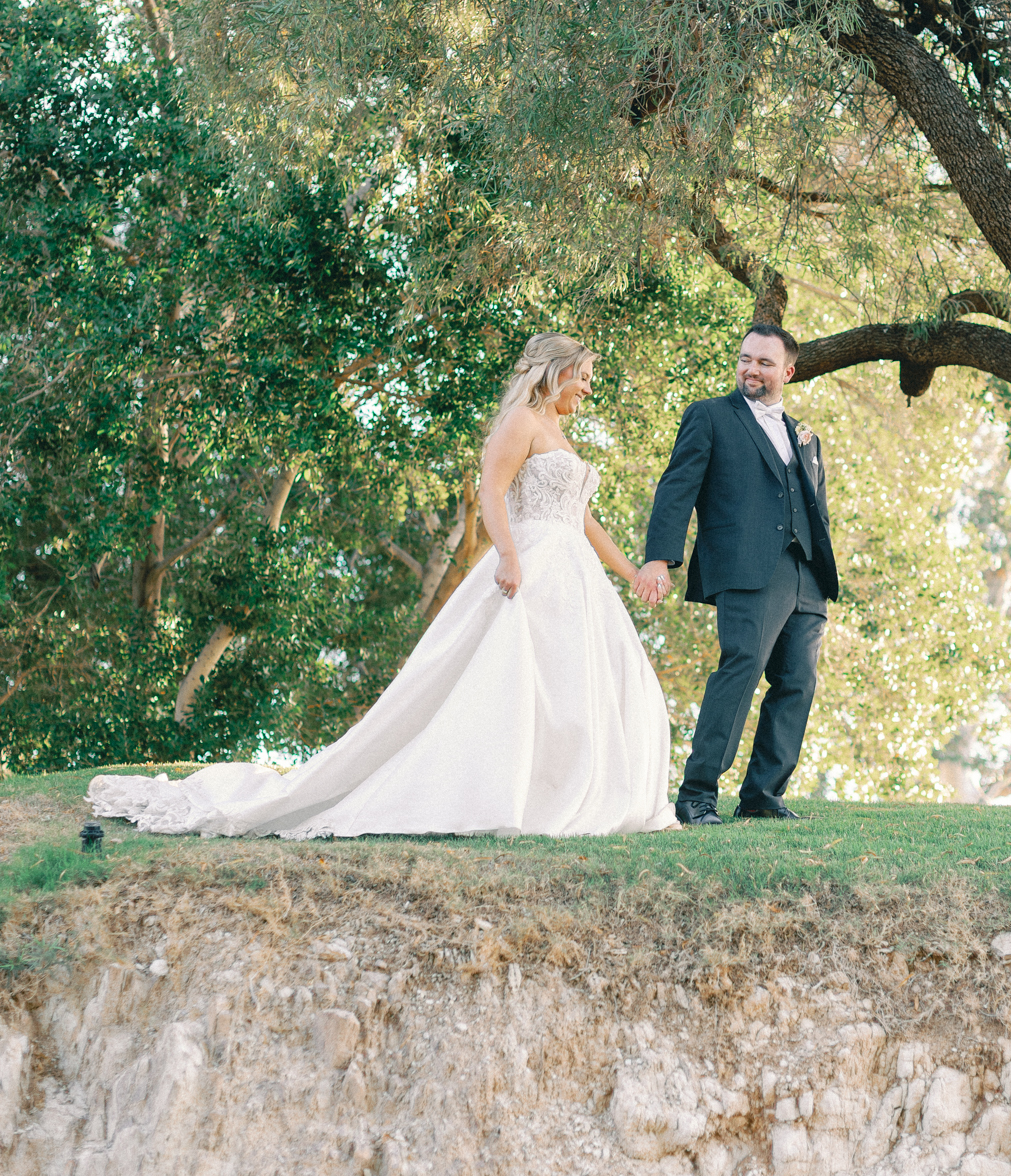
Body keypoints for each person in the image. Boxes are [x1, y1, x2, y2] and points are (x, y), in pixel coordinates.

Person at [89, 334, 678, 839]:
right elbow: (492, 491)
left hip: (572, 575)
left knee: (596, 691)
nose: (589, 390)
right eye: (585, 378)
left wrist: (632, 573)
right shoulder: (521, 421)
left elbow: (582, 517)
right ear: (560, 371)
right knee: (518, 685)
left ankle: (559, 793)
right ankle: (499, 795)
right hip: (530, 566)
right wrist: (506, 555)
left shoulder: (558, 431)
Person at [633, 325, 839, 824]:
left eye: (764, 362)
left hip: (806, 571)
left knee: (798, 681)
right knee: (741, 667)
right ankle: (697, 794)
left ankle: (763, 796)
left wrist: (822, 567)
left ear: (787, 372)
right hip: (746, 566)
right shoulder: (709, 416)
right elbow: (676, 487)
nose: (751, 369)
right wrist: (660, 556)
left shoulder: (804, 436)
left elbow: (817, 507)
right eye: (746, 358)